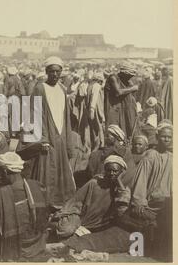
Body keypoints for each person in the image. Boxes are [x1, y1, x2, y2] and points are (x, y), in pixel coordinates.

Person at [18, 56, 75, 210]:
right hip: (46, 135)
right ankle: (45, 202)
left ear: (61, 72)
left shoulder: (62, 89)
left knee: (60, 169)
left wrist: (66, 139)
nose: (55, 75)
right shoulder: (40, 88)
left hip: (60, 135)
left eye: (58, 71)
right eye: (52, 71)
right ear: (47, 72)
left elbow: (65, 116)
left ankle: (59, 201)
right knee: (46, 169)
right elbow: (34, 113)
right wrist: (41, 138)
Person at [49, 155, 130, 240]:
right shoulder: (94, 183)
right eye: (109, 170)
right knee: (67, 230)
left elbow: (122, 209)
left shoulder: (123, 189)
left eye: (115, 171)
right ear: (105, 170)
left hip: (102, 223)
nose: (111, 173)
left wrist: (119, 183)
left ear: (121, 172)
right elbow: (74, 202)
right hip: (81, 218)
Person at [124, 121, 173, 260]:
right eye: (163, 136)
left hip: (166, 203)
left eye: (169, 137)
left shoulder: (172, 157)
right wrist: (139, 202)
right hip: (150, 203)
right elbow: (141, 180)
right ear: (157, 137)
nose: (167, 139)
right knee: (143, 222)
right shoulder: (150, 155)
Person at [104, 64, 139, 139]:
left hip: (119, 108)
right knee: (113, 130)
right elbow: (118, 92)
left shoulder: (125, 80)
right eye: (129, 76)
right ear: (124, 73)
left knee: (123, 130)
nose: (130, 78)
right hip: (111, 108)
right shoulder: (113, 78)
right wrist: (132, 89)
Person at [87, 71, 105, 152]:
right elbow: (94, 98)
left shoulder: (90, 86)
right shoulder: (97, 86)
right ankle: (101, 144)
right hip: (96, 109)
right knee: (99, 126)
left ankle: (98, 143)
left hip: (93, 109)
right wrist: (92, 109)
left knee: (95, 127)